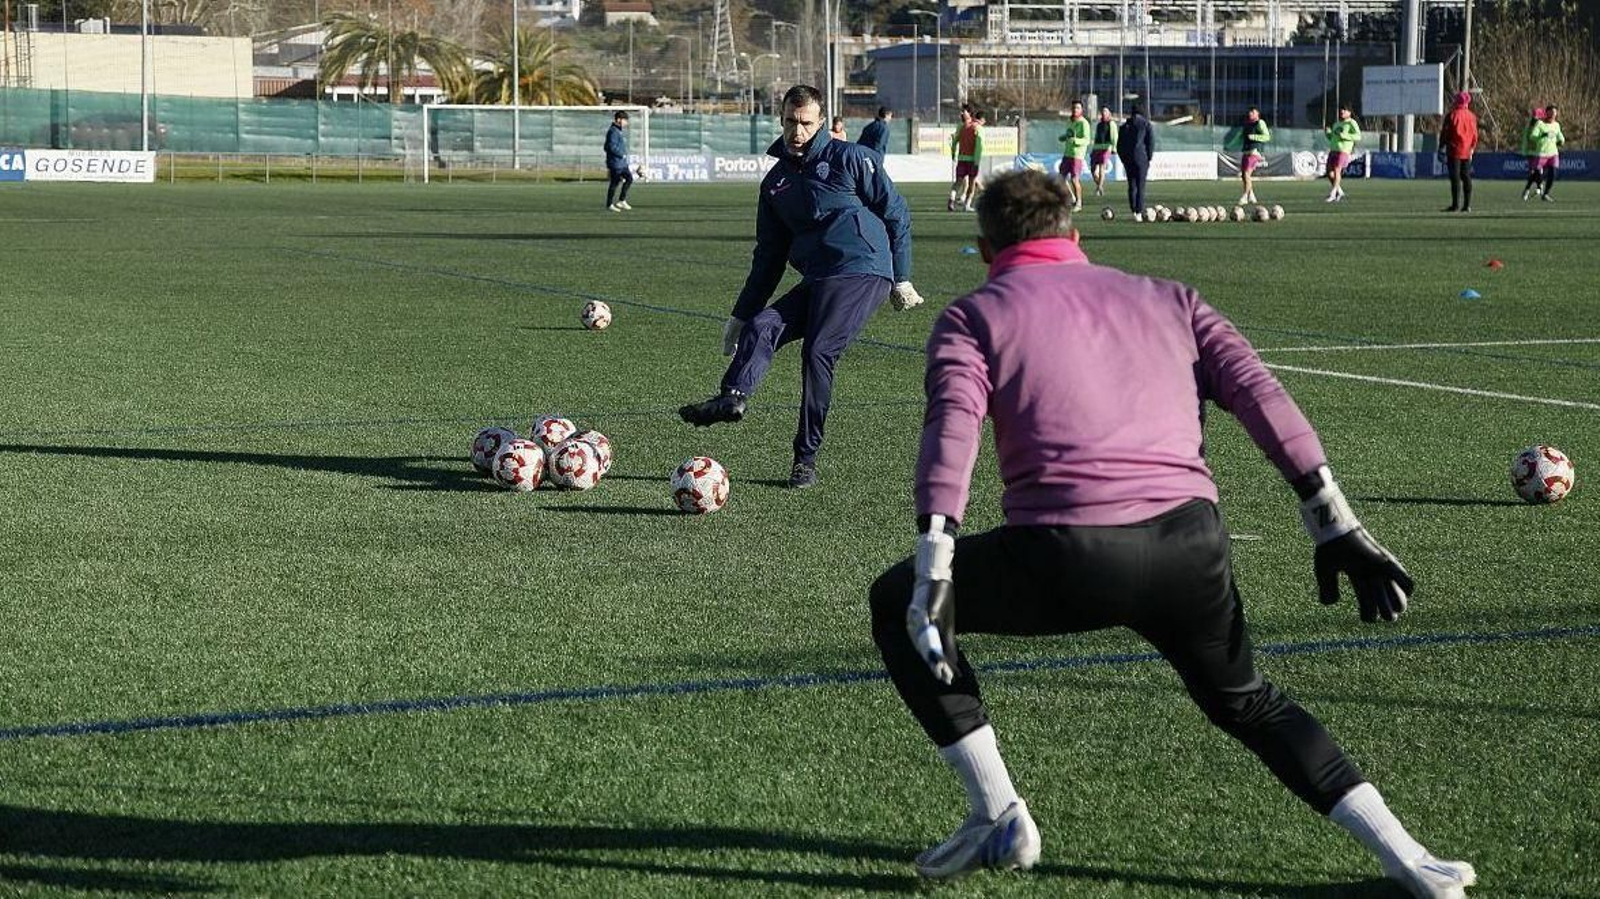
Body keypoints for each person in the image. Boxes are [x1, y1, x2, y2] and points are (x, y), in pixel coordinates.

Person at [868, 168, 1477, 899]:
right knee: (1251, 701)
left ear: (983, 246)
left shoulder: (973, 317)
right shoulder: (1171, 298)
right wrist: (1333, 519)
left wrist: (936, 566)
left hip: (1066, 556)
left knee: (894, 596)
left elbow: (952, 431)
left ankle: (996, 809)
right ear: (1077, 234)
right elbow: (1260, 393)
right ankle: (1411, 859)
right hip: (1190, 548)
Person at [677, 85, 923, 489]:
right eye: (791, 121)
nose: (798, 131)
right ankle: (732, 397)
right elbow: (768, 257)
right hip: (820, 277)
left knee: (818, 352)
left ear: (821, 122)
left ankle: (804, 460)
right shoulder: (774, 184)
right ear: (782, 119)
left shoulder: (852, 158)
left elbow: (896, 213)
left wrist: (902, 275)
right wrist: (740, 315)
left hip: (862, 270)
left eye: (806, 123)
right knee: (763, 325)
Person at [1439, 91, 1478, 212]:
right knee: (1466, 176)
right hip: (1467, 150)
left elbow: (1446, 133)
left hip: (1454, 149)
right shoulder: (1472, 116)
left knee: (1455, 177)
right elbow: (1475, 134)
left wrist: (1441, 146)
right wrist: (1472, 147)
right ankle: (1467, 205)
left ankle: (1455, 204)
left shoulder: (1452, 115)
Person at [1115, 104, 1154, 217]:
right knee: (1141, 186)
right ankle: (1139, 211)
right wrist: (1148, 157)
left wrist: (1123, 158)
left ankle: (1133, 210)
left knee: (1132, 185)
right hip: (1141, 158)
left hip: (1128, 159)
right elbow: (1150, 143)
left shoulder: (1124, 126)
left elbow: (1119, 146)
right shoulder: (1146, 124)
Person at [1524, 105, 1566, 202]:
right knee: (1537, 174)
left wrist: (1561, 141)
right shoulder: (1540, 124)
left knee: (1553, 173)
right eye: (1550, 112)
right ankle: (1528, 188)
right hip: (1541, 153)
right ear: (1546, 113)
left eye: (1554, 113)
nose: (1553, 115)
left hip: (1553, 154)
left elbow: (1560, 137)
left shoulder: (1556, 125)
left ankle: (1545, 194)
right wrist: (1543, 135)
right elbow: (1532, 136)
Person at [948, 105, 983, 212]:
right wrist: (953, 153)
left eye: (964, 111)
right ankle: (953, 201)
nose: (962, 113)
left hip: (971, 160)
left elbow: (979, 145)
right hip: (965, 160)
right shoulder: (963, 126)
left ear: (969, 113)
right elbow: (955, 141)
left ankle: (965, 204)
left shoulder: (975, 127)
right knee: (960, 182)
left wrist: (976, 160)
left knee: (970, 183)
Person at [1057, 100, 1091, 210]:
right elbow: (1069, 134)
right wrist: (1063, 137)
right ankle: (1072, 198)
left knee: (1074, 179)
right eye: (1073, 108)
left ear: (1081, 110)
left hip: (1077, 155)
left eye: (1077, 108)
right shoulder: (1070, 122)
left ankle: (1079, 203)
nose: (1074, 110)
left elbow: (1087, 140)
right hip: (1067, 153)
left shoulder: (1084, 123)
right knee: (1061, 178)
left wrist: (1075, 140)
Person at [1323, 104, 1361, 203]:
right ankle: (1339, 191)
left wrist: (1345, 135)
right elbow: (1333, 138)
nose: (1342, 112)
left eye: (1344, 110)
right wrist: (1328, 133)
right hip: (1333, 150)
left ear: (1349, 112)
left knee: (1337, 170)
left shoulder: (1351, 123)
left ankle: (1333, 194)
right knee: (1329, 173)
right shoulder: (1337, 124)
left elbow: (1358, 136)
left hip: (1343, 150)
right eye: (1341, 110)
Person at [1237, 106, 1271, 205]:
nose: (1250, 113)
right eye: (1249, 112)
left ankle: (1244, 197)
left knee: (1247, 174)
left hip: (1254, 152)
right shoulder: (1247, 124)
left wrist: (1254, 137)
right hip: (1246, 152)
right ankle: (1251, 195)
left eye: (1253, 112)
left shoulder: (1260, 123)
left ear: (1257, 113)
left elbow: (1267, 136)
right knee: (1244, 175)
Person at [603, 111, 635, 212]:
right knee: (614, 183)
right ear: (618, 120)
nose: (626, 123)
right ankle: (609, 204)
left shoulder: (618, 131)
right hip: (615, 163)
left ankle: (622, 200)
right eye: (625, 120)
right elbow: (609, 147)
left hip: (622, 162)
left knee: (629, 178)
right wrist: (620, 154)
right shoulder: (613, 131)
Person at [1089, 105, 1119, 198]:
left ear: (1109, 114)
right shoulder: (1099, 125)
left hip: (1106, 147)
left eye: (1105, 111)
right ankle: (1100, 186)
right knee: (1093, 170)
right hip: (1097, 147)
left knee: (1102, 167)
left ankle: (1099, 187)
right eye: (1102, 111)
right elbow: (1097, 136)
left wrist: (1114, 148)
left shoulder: (1111, 124)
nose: (1103, 113)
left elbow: (1114, 136)